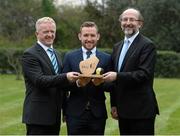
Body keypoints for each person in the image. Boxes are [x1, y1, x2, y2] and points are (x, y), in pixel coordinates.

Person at [103, 8, 159, 135]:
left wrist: (117, 76)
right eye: (124, 19)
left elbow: (143, 74)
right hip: (123, 111)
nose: (128, 22)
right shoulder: (117, 47)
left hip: (141, 111)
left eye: (132, 19)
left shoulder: (147, 45)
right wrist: (113, 104)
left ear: (140, 24)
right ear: (120, 22)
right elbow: (113, 81)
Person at [21, 17, 79, 135]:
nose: (50, 34)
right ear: (37, 34)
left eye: (52, 31)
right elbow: (39, 80)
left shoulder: (57, 54)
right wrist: (65, 77)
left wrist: (76, 83)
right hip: (38, 116)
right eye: (46, 32)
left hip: (54, 115)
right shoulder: (29, 54)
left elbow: (59, 85)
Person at [62, 21, 111, 135]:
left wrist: (101, 83)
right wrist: (78, 83)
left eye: (92, 35)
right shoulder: (70, 57)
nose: (89, 39)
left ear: (98, 36)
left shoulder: (106, 58)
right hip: (75, 113)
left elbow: (112, 86)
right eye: (86, 35)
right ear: (80, 36)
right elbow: (62, 84)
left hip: (97, 113)